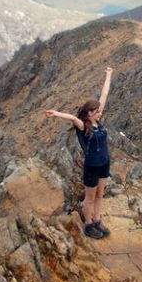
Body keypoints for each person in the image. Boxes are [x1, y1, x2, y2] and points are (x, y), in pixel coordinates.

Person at [45, 67, 113, 239]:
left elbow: (104, 95)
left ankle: (97, 220)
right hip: (92, 167)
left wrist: (109, 75)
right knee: (89, 198)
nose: (100, 112)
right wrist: (56, 113)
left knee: (100, 194)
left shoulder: (99, 121)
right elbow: (72, 118)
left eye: (99, 110)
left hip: (104, 163)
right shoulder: (84, 126)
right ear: (90, 113)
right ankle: (89, 224)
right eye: (97, 111)